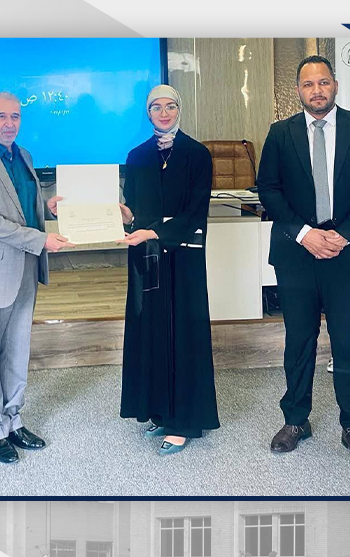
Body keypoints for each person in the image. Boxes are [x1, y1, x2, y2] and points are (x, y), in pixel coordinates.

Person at [256, 55, 350, 469]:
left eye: (323, 82)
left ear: (335, 85)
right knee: (299, 339)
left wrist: (344, 234)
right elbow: (269, 189)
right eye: (308, 84)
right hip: (296, 251)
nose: (316, 90)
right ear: (298, 90)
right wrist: (305, 234)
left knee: (348, 340)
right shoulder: (280, 133)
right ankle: (296, 420)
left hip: (348, 251)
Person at [0, 92, 72, 464]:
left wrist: (46, 208)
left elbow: (22, 208)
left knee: (17, 351)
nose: (9, 124)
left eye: (15, 117)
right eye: (2, 116)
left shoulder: (25, 156)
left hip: (24, 269)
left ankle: (14, 420)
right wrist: (41, 240)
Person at [117, 84, 220, 456]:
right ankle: (160, 411)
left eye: (170, 106)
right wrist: (121, 215)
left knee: (184, 332)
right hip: (147, 256)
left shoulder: (198, 154)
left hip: (183, 255)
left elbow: (196, 210)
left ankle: (185, 421)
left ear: (179, 109)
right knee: (153, 330)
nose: (164, 113)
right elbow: (135, 208)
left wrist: (156, 232)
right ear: (148, 113)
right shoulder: (137, 155)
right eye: (156, 107)